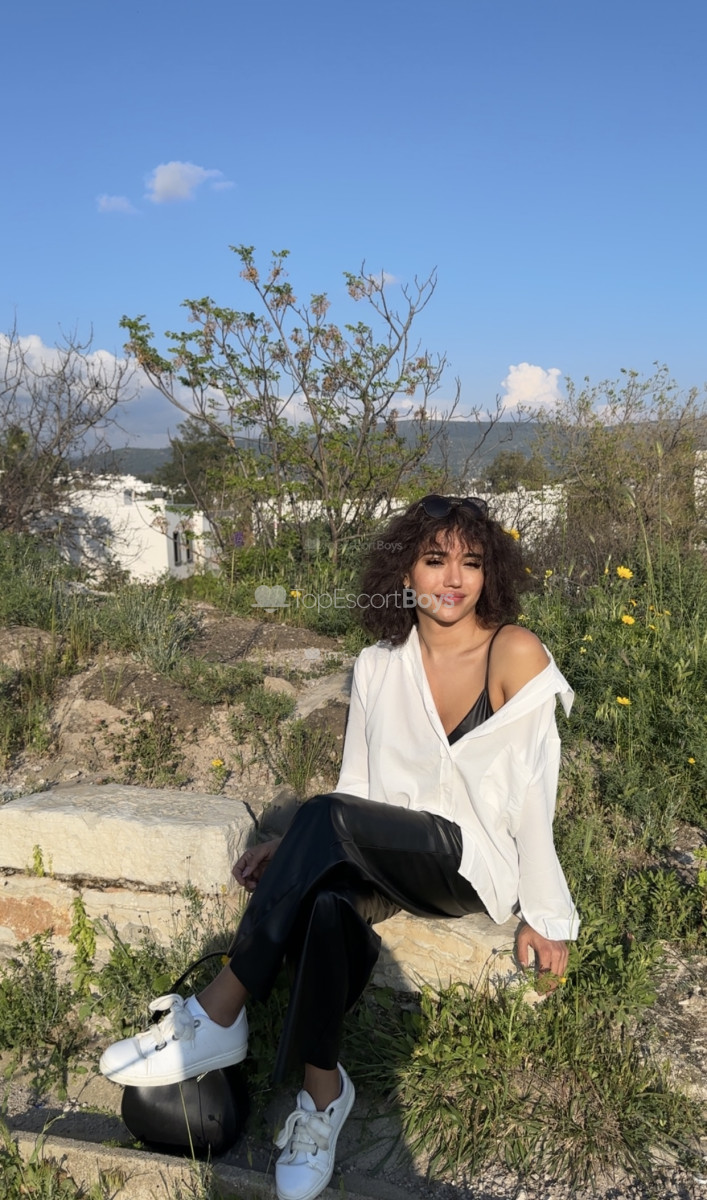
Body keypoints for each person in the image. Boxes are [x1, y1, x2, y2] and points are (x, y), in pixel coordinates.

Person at [100, 494, 579, 1200]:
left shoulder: (512, 650)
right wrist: (298, 844)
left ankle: (220, 1009)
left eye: (471, 563)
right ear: (404, 571)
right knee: (325, 905)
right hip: (379, 851)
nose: (453, 579)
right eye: (435, 559)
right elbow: (355, 786)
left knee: (324, 822)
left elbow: (537, 790)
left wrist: (547, 913)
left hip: (465, 862)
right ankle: (322, 1096)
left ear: (490, 573)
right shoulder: (379, 664)